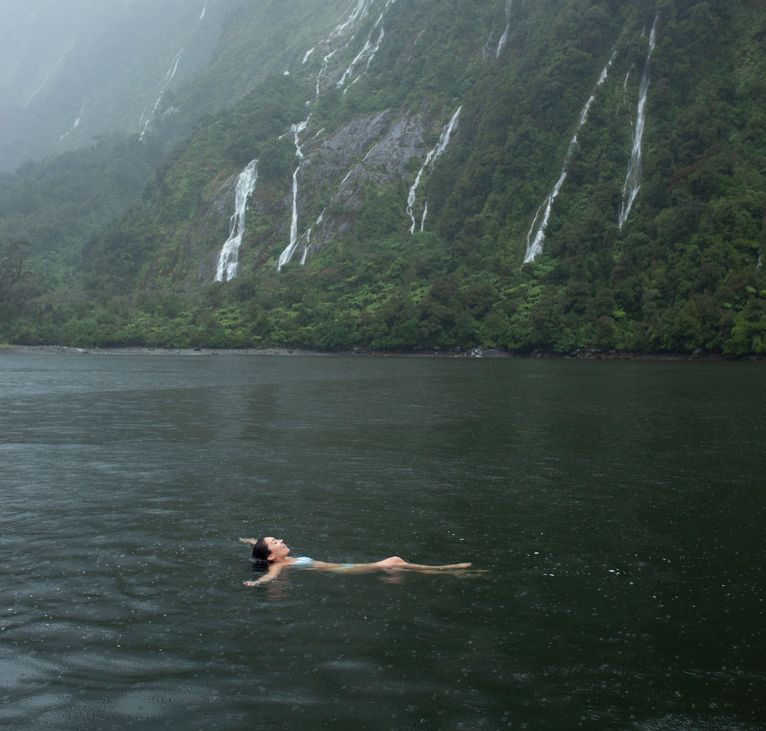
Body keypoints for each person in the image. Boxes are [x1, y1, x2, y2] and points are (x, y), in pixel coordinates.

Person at [239, 535, 473, 586]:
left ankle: (448, 570)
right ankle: (445, 570)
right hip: (345, 570)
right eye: (275, 542)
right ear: (271, 556)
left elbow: (264, 557)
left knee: (396, 561)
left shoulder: (283, 558)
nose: (280, 540)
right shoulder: (281, 565)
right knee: (394, 561)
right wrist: (257, 584)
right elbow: (271, 575)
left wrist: (252, 542)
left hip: (345, 567)